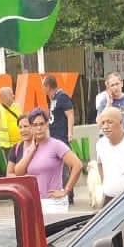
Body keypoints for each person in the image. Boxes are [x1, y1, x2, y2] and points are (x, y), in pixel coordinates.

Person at [9, 107, 81, 216]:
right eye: (35, 125)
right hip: (35, 202)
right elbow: (18, 172)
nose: (39, 128)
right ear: (31, 128)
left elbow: (77, 165)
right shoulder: (30, 148)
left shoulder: (56, 145)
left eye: (41, 124)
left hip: (54, 203)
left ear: (47, 124)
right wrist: (32, 151)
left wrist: (66, 190)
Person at [43, 74, 76, 203]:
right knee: (59, 167)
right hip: (54, 136)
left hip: (62, 136)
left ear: (47, 86)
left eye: (43, 86)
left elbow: (70, 115)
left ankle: (69, 194)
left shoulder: (62, 96)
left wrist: (70, 132)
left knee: (65, 167)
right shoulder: (53, 98)